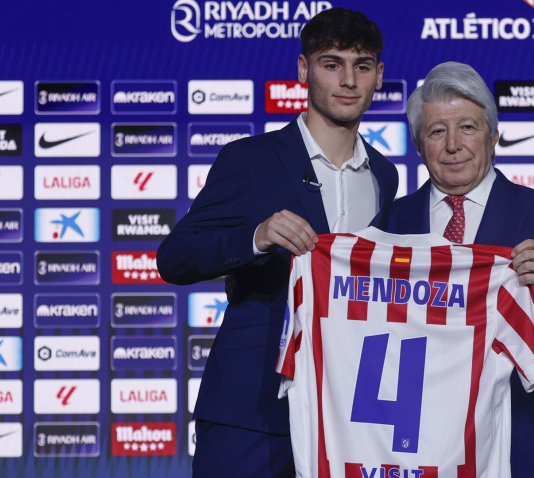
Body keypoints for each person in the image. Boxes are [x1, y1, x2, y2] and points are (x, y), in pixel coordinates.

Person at [156, 8, 398, 477]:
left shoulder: (385, 175)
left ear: (379, 76)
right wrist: (255, 238)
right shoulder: (251, 159)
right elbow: (175, 257)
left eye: (362, 65)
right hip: (252, 412)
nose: (348, 80)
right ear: (304, 70)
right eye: (332, 64)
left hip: (349, 416)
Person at [378, 62, 534, 478]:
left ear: (493, 136)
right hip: (412, 436)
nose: (452, 145)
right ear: (418, 144)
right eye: (436, 131)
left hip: (516, 433)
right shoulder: (389, 221)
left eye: (467, 127)